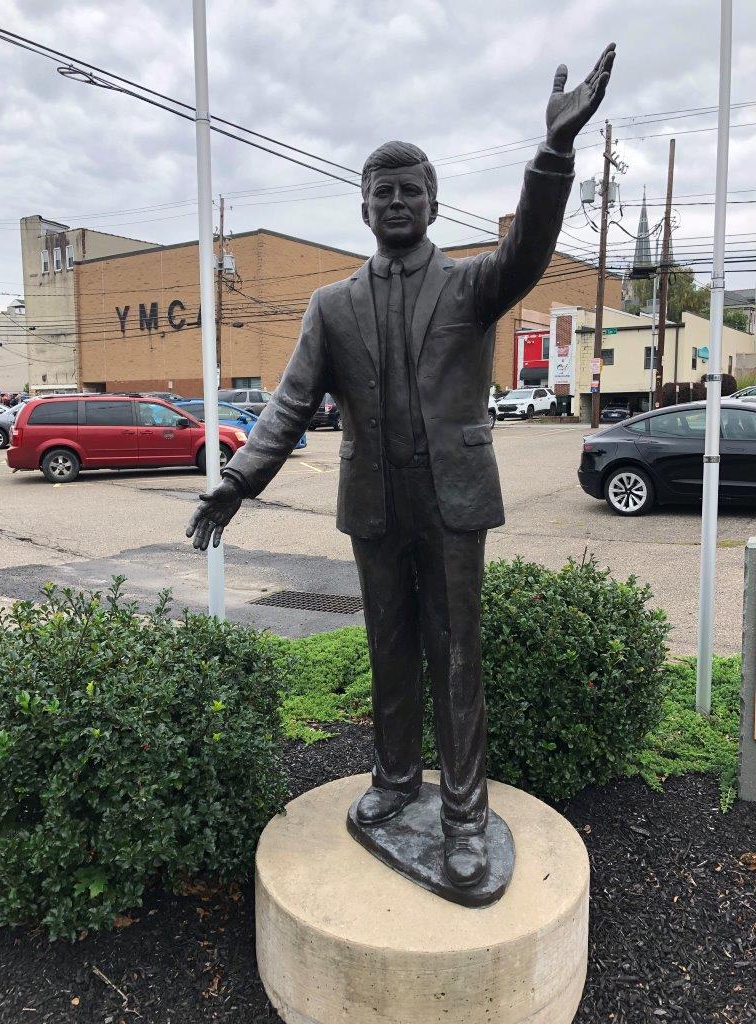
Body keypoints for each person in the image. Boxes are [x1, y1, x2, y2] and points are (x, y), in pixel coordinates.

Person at [187, 44, 616, 889]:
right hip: (375, 504)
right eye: (381, 192)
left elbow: (528, 249)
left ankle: (464, 816)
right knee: (389, 649)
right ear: (363, 208)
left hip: (453, 501)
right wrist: (236, 482)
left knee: (457, 655)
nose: (395, 203)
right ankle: (392, 781)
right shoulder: (331, 306)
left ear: (431, 203)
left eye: (409, 191)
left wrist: (554, 153)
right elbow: (287, 403)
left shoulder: (471, 287)